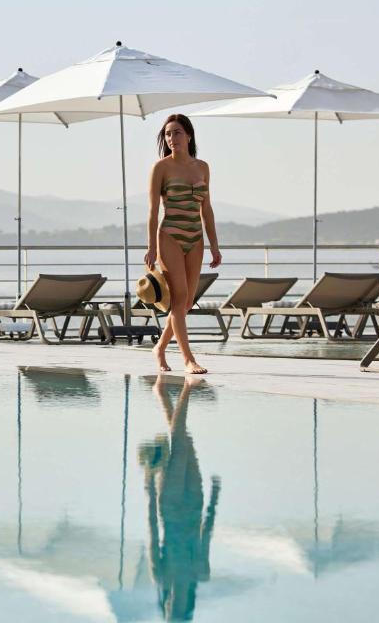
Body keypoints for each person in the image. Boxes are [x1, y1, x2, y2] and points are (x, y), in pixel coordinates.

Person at [144, 114, 221, 374]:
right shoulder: (161, 168)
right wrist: (152, 247)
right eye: (167, 134)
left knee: (186, 303)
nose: (171, 138)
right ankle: (188, 359)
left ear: (188, 135)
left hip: (195, 238)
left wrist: (214, 245)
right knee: (178, 300)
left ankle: (160, 347)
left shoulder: (203, 167)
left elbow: (207, 210)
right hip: (170, 237)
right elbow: (153, 211)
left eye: (177, 133)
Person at [139, 376, 221, 621]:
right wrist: (214, 501)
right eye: (176, 610)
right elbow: (206, 536)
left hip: (170, 504)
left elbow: (153, 531)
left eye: (169, 610)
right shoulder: (201, 573)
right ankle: (162, 393)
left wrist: (150, 489)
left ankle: (187, 387)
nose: (172, 605)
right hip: (195, 503)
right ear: (186, 609)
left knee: (181, 441)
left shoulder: (160, 576)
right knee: (184, 441)